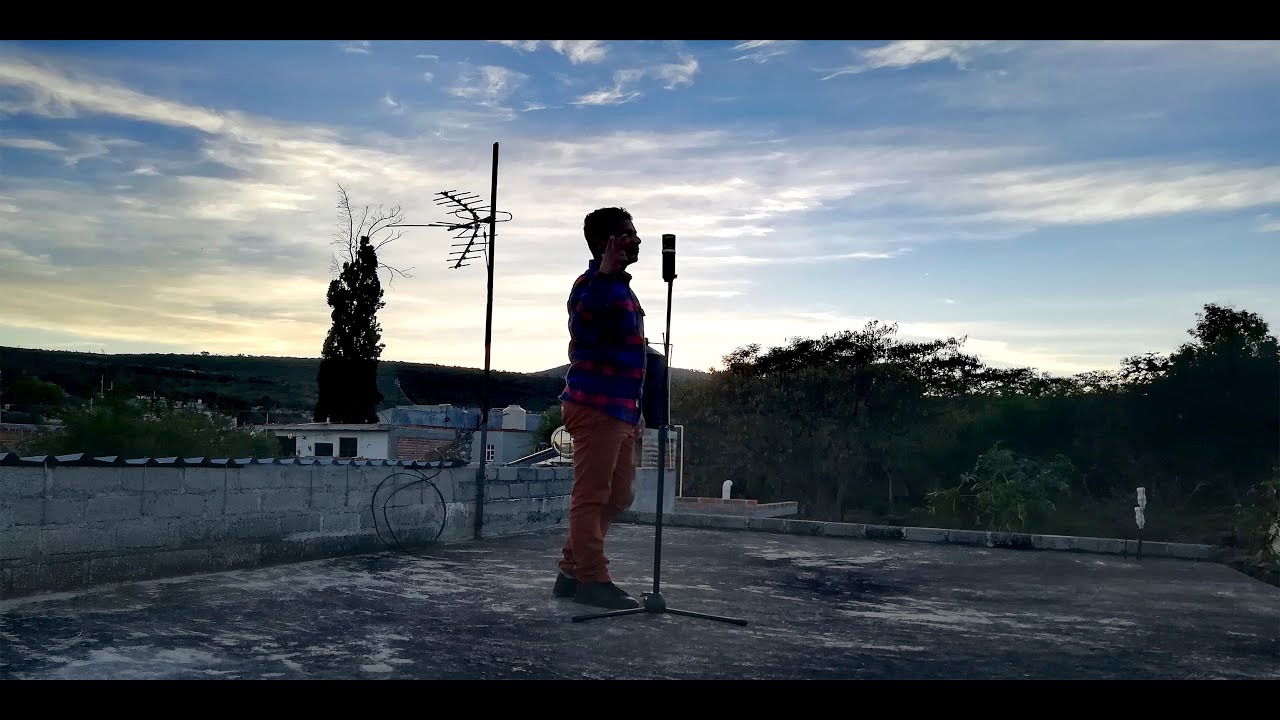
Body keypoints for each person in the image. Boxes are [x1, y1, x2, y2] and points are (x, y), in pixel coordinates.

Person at [553, 207, 648, 610]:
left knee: (619, 495)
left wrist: (637, 409)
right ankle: (592, 580)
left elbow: (628, 355)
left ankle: (570, 571)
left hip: (621, 408)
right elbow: (584, 325)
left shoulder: (623, 289)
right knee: (591, 495)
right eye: (627, 233)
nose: (637, 239)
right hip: (594, 406)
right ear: (605, 242)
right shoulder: (591, 284)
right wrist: (605, 274)